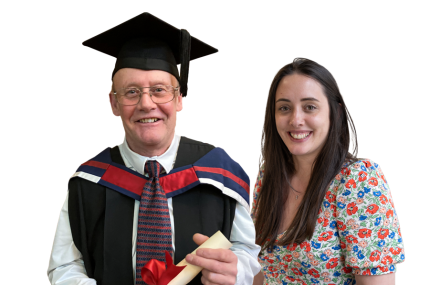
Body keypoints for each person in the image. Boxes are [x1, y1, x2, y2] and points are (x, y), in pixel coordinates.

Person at [47, 13, 260, 285]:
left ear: (179, 98)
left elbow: (248, 253)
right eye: (131, 92)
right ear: (114, 104)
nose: (146, 104)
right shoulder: (88, 182)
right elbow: (65, 264)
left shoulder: (219, 173)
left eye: (159, 90)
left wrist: (236, 270)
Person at [251, 58, 404, 285]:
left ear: (336, 113)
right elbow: (259, 272)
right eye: (284, 108)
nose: (296, 119)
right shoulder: (270, 176)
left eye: (310, 107)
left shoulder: (358, 181)